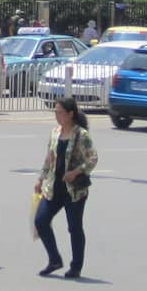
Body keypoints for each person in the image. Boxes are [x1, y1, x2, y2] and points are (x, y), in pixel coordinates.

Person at [33, 96, 99, 278]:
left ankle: (76, 266)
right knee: (40, 220)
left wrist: (76, 172)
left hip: (74, 190)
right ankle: (54, 259)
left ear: (70, 114)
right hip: (54, 187)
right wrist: (40, 179)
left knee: (74, 227)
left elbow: (92, 159)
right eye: (55, 112)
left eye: (60, 112)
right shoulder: (55, 132)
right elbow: (49, 158)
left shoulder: (81, 135)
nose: (57, 115)